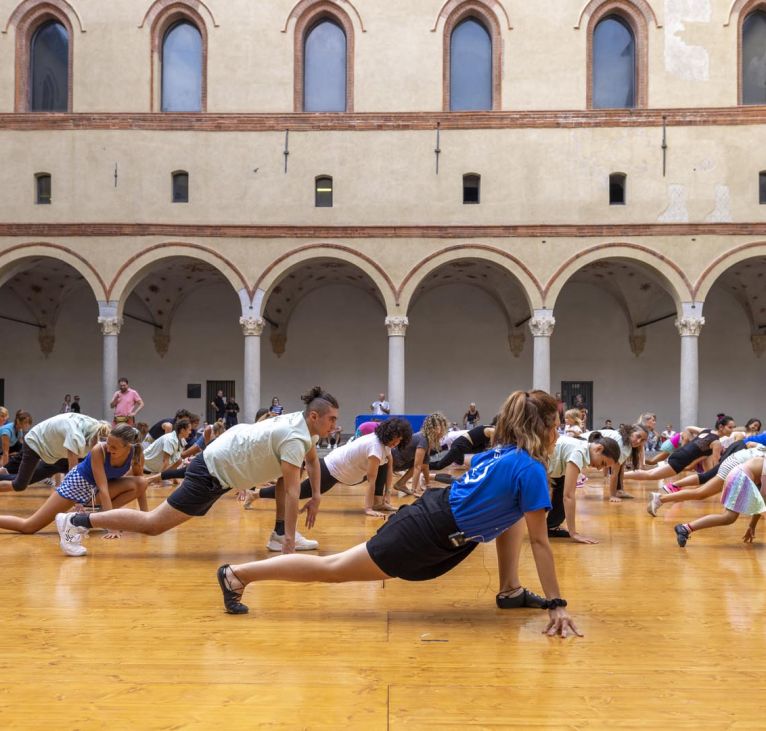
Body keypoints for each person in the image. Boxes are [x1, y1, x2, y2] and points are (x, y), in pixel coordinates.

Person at [215, 390, 582, 641]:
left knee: (515, 513)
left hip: (435, 519)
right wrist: (556, 604)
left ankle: (510, 589)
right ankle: (237, 575)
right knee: (333, 568)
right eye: (556, 425)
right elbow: (540, 542)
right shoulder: (529, 469)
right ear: (543, 429)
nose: (559, 432)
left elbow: (509, 516)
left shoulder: (504, 454)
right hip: (426, 531)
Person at [56, 387, 339, 556]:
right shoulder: (295, 437)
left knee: (284, 477)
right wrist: (291, 542)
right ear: (314, 416)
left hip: (222, 463)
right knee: (154, 525)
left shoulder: (303, 425)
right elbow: (292, 490)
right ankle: (76, 521)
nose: (335, 425)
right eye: (332, 419)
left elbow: (312, 462)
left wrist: (316, 496)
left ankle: (278, 533)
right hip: (212, 471)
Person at [0, 424, 149, 557]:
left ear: (128, 447)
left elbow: (140, 485)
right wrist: (113, 527)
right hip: (76, 485)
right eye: (108, 443)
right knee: (29, 527)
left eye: (114, 448)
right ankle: (97, 518)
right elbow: (103, 489)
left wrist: (146, 519)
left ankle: (91, 517)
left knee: (141, 482)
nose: (109, 449)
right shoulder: (100, 450)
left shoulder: (136, 454)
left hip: (95, 491)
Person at [251, 418, 414, 528]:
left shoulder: (385, 445)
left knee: (383, 465)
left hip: (346, 471)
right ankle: (257, 494)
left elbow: (389, 465)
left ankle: (379, 502)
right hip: (331, 469)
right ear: (388, 433)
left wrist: (387, 495)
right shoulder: (375, 446)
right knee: (298, 492)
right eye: (395, 438)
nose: (396, 442)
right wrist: (368, 509)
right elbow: (372, 480)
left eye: (400, 440)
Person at [0, 413, 111, 493]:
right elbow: (73, 472)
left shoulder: (97, 426)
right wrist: (77, 502)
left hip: (55, 453)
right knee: (20, 484)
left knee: (31, 477)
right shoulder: (75, 435)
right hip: (35, 443)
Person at [647, 444, 766, 517]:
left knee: (702, 492)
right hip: (736, 464)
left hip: (736, 460)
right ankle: (660, 498)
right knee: (701, 493)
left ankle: (661, 498)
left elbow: (750, 443)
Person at [674, 454, 766, 547]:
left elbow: (761, 499)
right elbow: (763, 497)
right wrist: (752, 524)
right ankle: (685, 528)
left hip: (738, 475)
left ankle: (685, 528)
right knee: (728, 517)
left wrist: (752, 525)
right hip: (740, 477)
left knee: (728, 517)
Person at [547, 432, 621, 543]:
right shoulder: (579, 452)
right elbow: (568, 496)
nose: (599, 468)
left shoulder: (583, 448)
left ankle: (551, 527)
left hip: (547, 467)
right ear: (599, 449)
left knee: (562, 486)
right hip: (530, 462)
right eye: (602, 463)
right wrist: (573, 533)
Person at [625, 416, 736, 484]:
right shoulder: (716, 443)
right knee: (650, 475)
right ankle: (621, 476)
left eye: (733, 427)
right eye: (730, 427)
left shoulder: (706, 430)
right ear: (721, 427)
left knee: (649, 473)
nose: (732, 430)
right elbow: (716, 466)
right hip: (681, 459)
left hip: (680, 455)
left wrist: (688, 443)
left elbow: (688, 428)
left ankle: (621, 476)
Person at [392, 413, 448, 495]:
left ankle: (401, 483)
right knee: (419, 465)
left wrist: (428, 485)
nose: (444, 431)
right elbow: (417, 466)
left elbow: (425, 465)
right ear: (435, 428)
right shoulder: (423, 439)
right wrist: (414, 489)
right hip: (392, 461)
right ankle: (408, 486)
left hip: (399, 462)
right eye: (442, 427)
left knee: (422, 464)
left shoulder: (428, 440)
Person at [429, 425, 494, 471]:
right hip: (460, 446)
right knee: (439, 465)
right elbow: (494, 449)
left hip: (464, 447)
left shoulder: (489, 429)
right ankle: (425, 465)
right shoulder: (492, 430)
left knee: (460, 462)